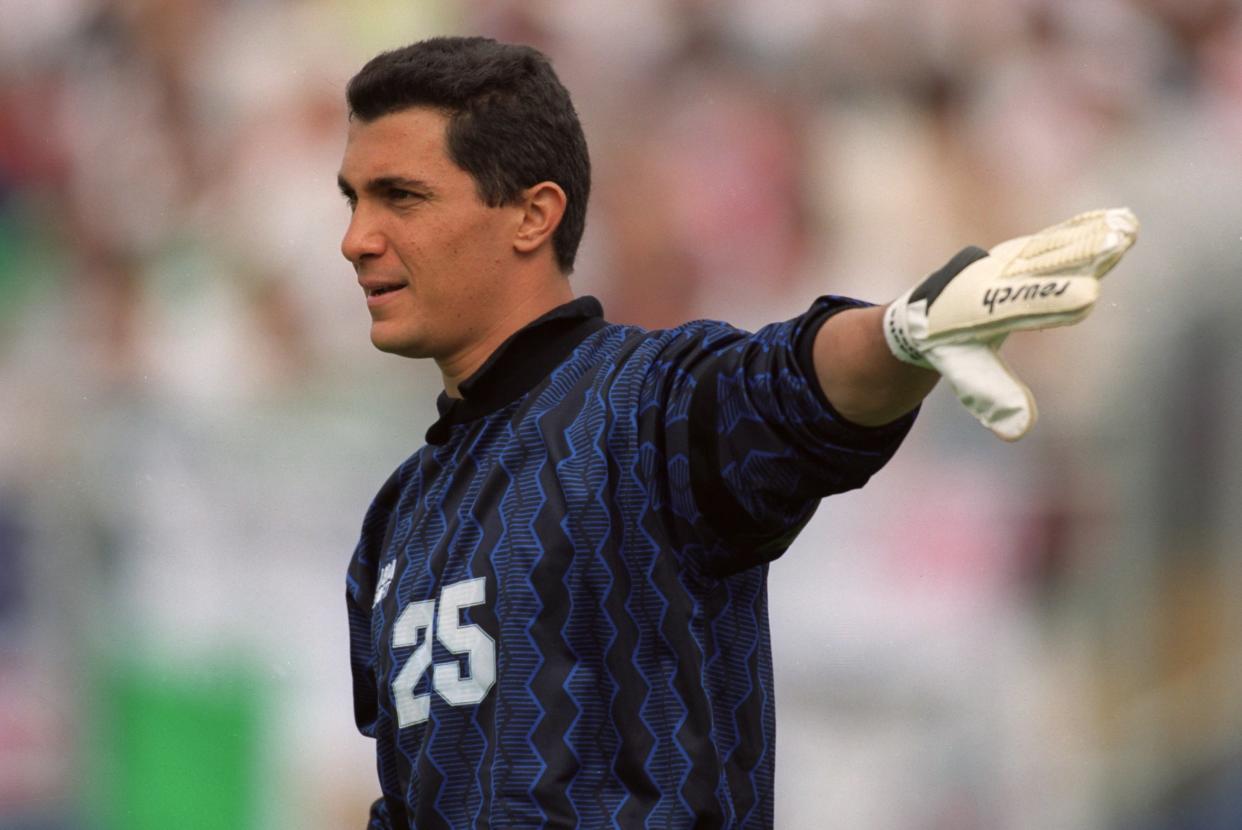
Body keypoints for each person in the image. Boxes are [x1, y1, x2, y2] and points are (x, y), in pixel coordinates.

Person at [338, 36, 1136, 829]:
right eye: (354, 200)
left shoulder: (641, 407)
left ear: (531, 215)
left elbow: (791, 385)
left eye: (401, 197)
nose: (356, 239)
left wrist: (901, 335)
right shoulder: (397, 519)